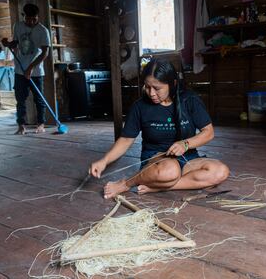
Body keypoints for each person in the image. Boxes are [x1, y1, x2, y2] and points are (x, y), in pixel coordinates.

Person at [89, 58, 230, 199]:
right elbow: (126, 139)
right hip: (157, 162)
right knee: (169, 171)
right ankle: (126, 184)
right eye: (147, 87)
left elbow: (208, 132)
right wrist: (104, 161)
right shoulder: (140, 107)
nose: (151, 93)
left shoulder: (189, 100)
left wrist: (186, 144)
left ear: (173, 84)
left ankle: (157, 187)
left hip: (187, 158)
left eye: (157, 88)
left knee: (220, 171)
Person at [2, 3, 51, 135]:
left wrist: (30, 68)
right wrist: (7, 43)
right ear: (24, 16)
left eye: (34, 19)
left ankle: (41, 124)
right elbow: (16, 43)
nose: (31, 22)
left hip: (36, 72)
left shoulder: (43, 30)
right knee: (20, 100)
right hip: (19, 70)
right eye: (28, 19)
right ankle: (21, 126)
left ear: (37, 17)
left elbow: (45, 53)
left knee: (39, 99)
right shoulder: (18, 26)